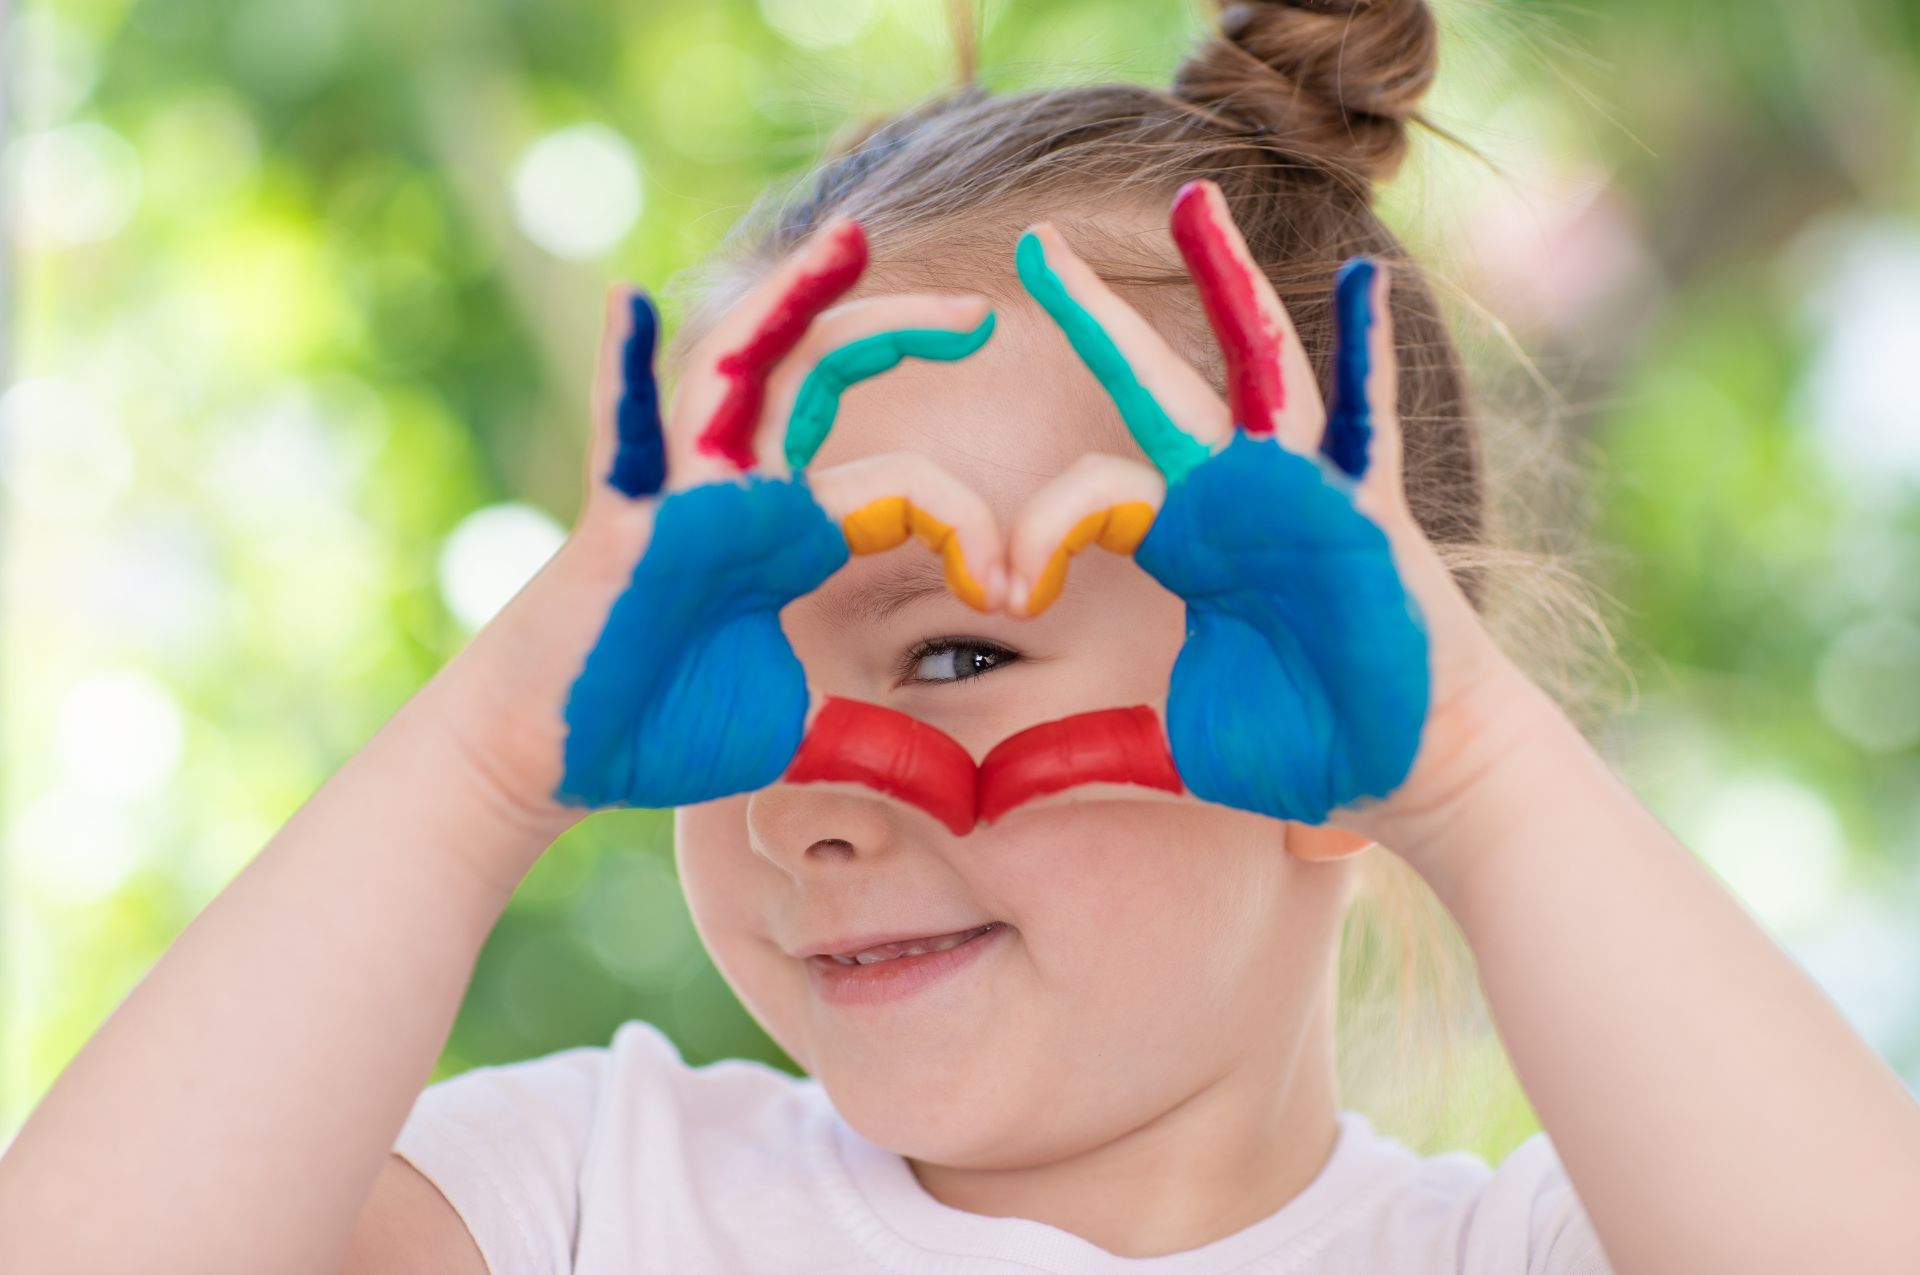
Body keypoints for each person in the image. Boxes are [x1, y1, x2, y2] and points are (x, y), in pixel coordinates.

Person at [6, 1, 1920, 1272]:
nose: (804, 805)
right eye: (737, 677)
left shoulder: (1521, 1251)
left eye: (949, 656)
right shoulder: (587, 1194)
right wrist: (484, 761)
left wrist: (1481, 782)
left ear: (1335, 727)